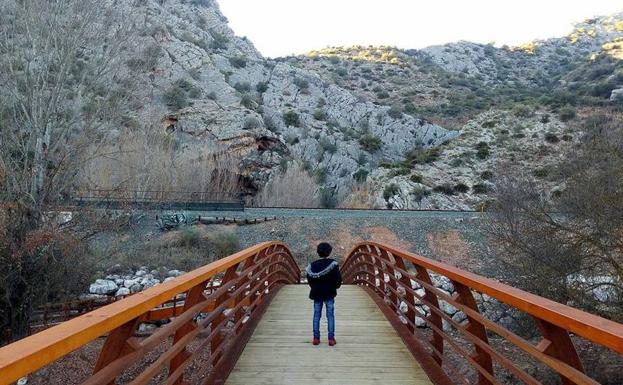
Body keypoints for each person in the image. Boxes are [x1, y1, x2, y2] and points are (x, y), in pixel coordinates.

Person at [305, 242, 342, 346]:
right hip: (329, 292)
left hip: (317, 293)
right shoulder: (333, 264)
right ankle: (331, 339)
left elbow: (310, 279)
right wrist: (335, 287)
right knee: (330, 315)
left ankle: (316, 338)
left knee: (316, 315)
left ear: (318, 252)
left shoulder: (312, 265)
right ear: (329, 252)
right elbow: (338, 280)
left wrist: (315, 287)